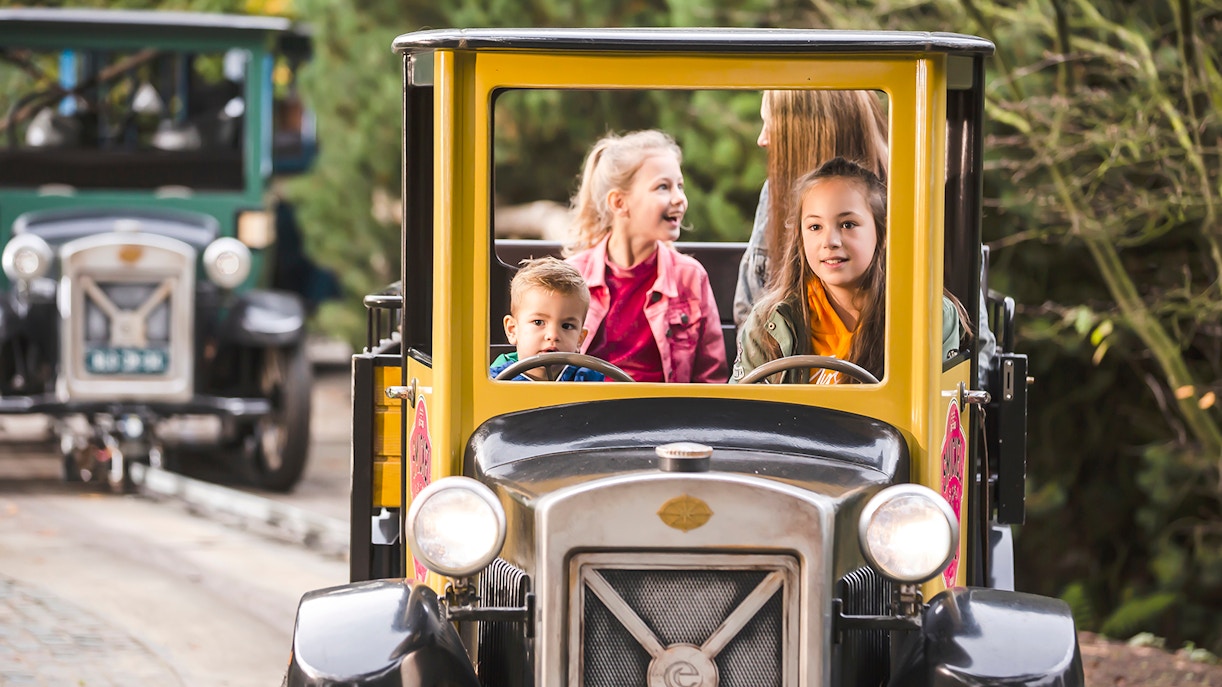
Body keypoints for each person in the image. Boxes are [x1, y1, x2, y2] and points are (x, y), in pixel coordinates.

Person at [731, 157, 965, 384]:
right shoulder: (769, 321)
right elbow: (741, 413)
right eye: (815, 227)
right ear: (800, 238)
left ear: (882, 233)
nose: (830, 241)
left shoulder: (927, 315)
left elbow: (936, 413)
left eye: (847, 225)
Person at [564, 129, 728, 383]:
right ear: (619, 203)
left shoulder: (690, 277)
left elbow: (710, 379)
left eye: (680, 186)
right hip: (587, 415)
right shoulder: (574, 276)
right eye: (663, 187)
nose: (680, 199)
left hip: (662, 417)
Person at [732, 89, 889, 327]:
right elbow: (752, 318)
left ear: (808, 131)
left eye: (772, 124)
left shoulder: (895, 195)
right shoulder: (776, 190)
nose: (762, 139)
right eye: (814, 226)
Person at [490, 257, 606, 382]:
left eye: (566, 326)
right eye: (538, 322)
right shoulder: (494, 381)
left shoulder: (589, 379)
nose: (553, 335)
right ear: (512, 330)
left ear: (580, 339)